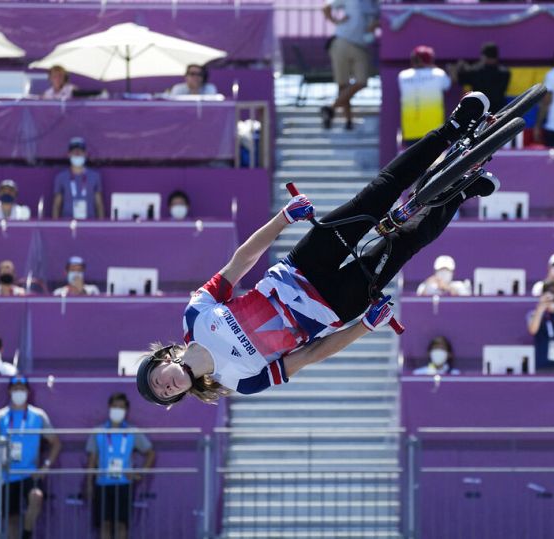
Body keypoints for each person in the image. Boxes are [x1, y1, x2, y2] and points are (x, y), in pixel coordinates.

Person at [136, 92, 498, 406]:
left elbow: (241, 260)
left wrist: (282, 218)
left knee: (377, 194)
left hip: (301, 269)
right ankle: (462, 190)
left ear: (162, 358)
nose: (166, 386)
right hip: (336, 305)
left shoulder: (195, 317)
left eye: (157, 380)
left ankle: (454, 128)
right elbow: (310, 354)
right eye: (165, 394)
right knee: (405, 242)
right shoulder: (241, 382)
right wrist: (364, 328)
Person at [0, 376, 61, 539]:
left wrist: (45, 467)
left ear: (28, 391)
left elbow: (55, 442)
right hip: (7, 474)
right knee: (11, 519)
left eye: (22, 389)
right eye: (15, 389)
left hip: (30, 473)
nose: (18, 392)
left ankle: (26, 533)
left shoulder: (38, 415)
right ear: (9, 391)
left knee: (36, 497)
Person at [86, 393, 155, 539]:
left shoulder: (132, 431)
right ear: (109, 407)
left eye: (121, 407)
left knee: (121, 524)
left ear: (126, 410)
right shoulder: (99, 431)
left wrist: (140, 474)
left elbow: (150, 453)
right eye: (115, 406)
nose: (118, 409)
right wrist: (89, 483)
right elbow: (92, 459)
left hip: (124, 484)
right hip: (102, 484)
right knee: (105, 523)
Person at [321, 0, 380, 130]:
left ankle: (330, 108)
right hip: (342, 41)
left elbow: (378, 22)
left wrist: (375, 25)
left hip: (361, 47)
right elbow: (326, 7)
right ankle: (348, 122)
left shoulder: (377, 5)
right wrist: (335, 21)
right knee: (343, 85)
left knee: (362, 82)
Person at [397, 45, 451, 144]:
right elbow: (447, 85)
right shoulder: (439, 73)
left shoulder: (403, 75)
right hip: (435, 131)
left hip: (410, 131)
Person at [447, 42, 511, 114]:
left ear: (484, 56)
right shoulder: (505, 72)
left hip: (479, 113)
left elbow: (456, 79)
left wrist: (452, 69)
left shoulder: (476, 71)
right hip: (499, 112)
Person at [52, 137, 105, 220]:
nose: (77, 154)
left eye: (80, 152)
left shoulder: (95, 176)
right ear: (68, 154)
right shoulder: (61, 177)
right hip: (67, 223)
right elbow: (56, 205)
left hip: (90, 223)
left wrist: (101, 226)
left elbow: (99, 204)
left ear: (86, 154)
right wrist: (55, 226)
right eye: (74, 152)